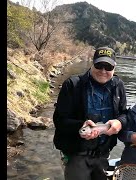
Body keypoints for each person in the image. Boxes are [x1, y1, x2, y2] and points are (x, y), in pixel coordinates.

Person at [52, 47, 128, 180]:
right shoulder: (73, 85)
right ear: (92, 64)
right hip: (76, 154)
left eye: (108, 67)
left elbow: (125, 114)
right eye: (99, 65)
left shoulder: (118, 85)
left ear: (114, 68)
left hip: (103, 154)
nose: (103, 71)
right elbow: (59, 120)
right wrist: (81, 125)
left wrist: (120, 122)